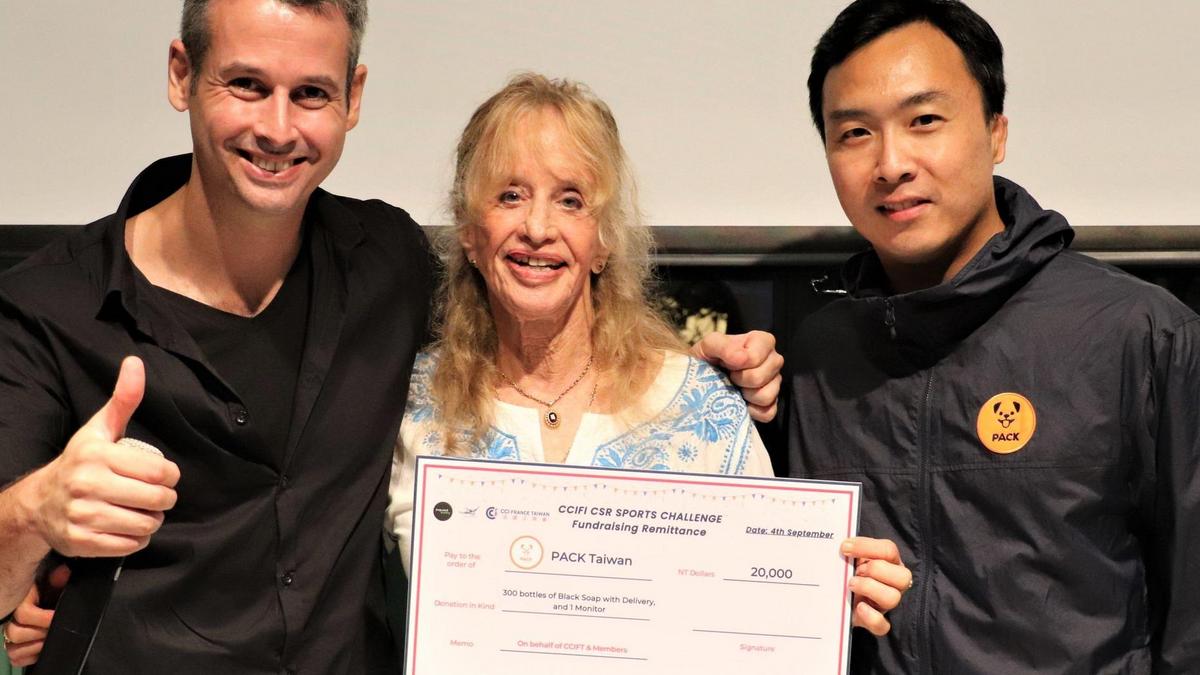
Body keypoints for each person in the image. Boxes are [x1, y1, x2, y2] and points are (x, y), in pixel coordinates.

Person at [0, 3, 785, 670]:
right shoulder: (49, 306)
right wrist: (35, 515)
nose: (278, 126)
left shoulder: (388, 265)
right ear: (181, 75)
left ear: (352, 98)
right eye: (247, 85)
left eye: (311, 92)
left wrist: (700, 368)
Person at [386, 73, 912, 639]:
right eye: (510, 196)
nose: (537, 228)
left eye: (571, 200)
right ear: (469, 231)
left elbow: (759, 605)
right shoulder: (405, 407)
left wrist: (830, 593)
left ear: (603, 240)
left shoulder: (701, 407)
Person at [787, 0, 1200, 672]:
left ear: (996, 132)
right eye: (854, 133)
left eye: (924, 120)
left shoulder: (1140, 334)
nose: (891, 163)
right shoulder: (817, 356)